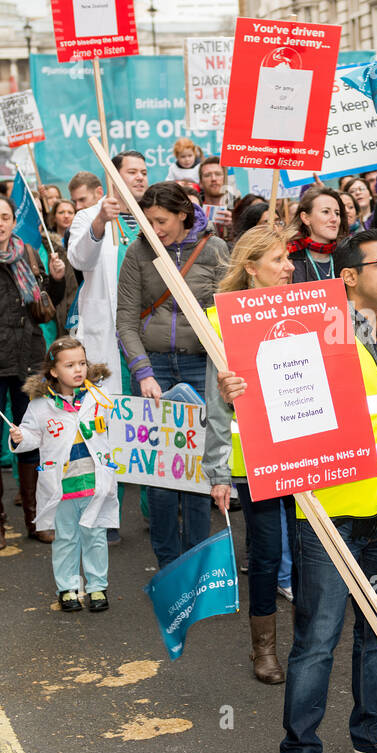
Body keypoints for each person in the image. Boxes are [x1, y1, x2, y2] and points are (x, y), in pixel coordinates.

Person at [217, 227, 377, 753]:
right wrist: (233, 390)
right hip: (333, 512)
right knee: (317, 639)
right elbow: (271, 396)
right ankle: (301, 747)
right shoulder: (313, 334)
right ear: (348, 277)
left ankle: (374, 733)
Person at [116, 181, 228, 569]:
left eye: (161, 220)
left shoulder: (215, 251)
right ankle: (169, 567)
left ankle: (196, 564)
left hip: (200, 367)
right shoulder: (137, 252)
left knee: (198, 473)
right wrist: (143, 372)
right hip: (155, 367)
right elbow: (126, 321)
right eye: (147, 221)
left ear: (183, 214)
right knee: (160, 476)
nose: (154, 229)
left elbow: (225, 314)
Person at [204, 226, 295, 683]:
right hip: (255, 457)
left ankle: (311, 640)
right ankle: (264, 649)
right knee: (266, 553)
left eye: (288, 258)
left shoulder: (305, 309)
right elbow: (215, 406)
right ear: (250, 268)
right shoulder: (220, 322)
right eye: (278, 260)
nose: (289, 266)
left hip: (305, 450)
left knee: (310, 548)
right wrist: (218, 470)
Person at [0, 194, 67, 550]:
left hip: (27, 360)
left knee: (32, 442)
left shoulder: (28, 254)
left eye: (4, 217)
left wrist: (56, 280)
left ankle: (37, 518)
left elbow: (44, 307)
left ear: (12, 222)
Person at [10, 337, 118, 613]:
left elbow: (119, 424)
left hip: (94, 482)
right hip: (63, 486)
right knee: (67, 538)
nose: (78, 370)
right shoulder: (41, 406)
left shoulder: (98, 397)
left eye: (82, 363)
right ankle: (68, 588)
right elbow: (33, 436)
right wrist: (20, 437)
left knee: (94, 536)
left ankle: (96, 587)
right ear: (54, 371)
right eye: (69, 365)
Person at [66, 159, 139, 395]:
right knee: (111, 407)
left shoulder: (151, 217)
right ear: (113, 178)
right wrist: (100, 221)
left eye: (144, 172)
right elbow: (80, 260)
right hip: (109, 328)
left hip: (146, 327)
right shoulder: (88, 216)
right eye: (132, 172)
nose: (140, 177)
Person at [285, 185, 343, 283]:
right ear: (306, 218)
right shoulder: (289, 257)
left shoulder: (346, 254)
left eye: (337, 213)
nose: (334, 219)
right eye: (325, 212)